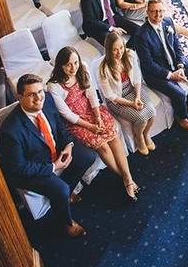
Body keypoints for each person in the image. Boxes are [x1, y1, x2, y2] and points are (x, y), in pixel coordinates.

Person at [0, 74, 96, 238]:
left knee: (87, 156)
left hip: (54, 151)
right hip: (31, 167)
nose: (38, 98)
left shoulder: (48, 100)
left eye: (40, 91)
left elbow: (60, 128)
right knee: (61, 190)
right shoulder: (10, 131)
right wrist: (53, 167)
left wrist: (69, 146)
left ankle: (67, 192)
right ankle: (67, 223)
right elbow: (19, 167)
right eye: (31, 94)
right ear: (19, 96)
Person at [46, 46, 139, 200]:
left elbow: (91, 94)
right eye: (68, 64)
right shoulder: (54, 86)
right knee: (102, 145)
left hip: (92, 110)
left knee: (112, 135)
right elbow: (66, 114)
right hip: (76, 121)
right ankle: (126, 178)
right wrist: (90, 126)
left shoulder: (83, 68)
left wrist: (98, 117)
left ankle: (127, 178)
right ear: (61, 66)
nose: (73, 68)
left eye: (75, 63)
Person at [129, 0, 188, 131]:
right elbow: (148, 64)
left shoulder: (168, 22)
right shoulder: (141, 35)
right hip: (155, 72)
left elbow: (177, 47)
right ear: (147, 13)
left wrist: (180, 66)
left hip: (174, 62)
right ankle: (181, 116)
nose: (158, 15)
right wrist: (171, 75)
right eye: (154, 11)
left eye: (160, 11)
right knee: (179, 94)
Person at [97, 31, 157, 155]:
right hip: (117, 99)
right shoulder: (104, 69)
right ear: (108, 50)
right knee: (141, 119)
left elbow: (136, 77)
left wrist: (138, 97)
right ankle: (139, 136)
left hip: (133, 90)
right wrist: (131, 104)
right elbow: (110, 95)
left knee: (152, 112)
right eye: (114, 50)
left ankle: (146, 134)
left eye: (121, 48)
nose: (119, 53)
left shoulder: (130, 55)